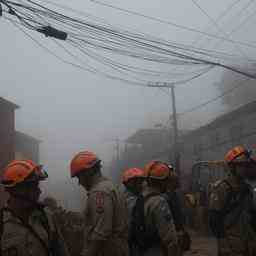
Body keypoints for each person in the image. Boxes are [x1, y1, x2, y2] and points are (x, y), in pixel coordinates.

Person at [0, 159, 70, 256]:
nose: (39, 191)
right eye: (34, 186)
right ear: (19, 189)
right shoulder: (2, 224)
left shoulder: (47, 218)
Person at [70, 150, 129, 256]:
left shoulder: (99, 192)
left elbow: (101, 233)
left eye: (79, 177)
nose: (79, 183)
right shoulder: (110, 186)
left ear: (87, 173)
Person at [209, 146, 256, 256]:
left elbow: (252, 216)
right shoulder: (221, 188)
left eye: (246, 165)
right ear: (232, 167)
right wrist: (223, 243)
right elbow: (214, 220)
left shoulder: (247, 189)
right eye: (241, 165)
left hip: (248, 244)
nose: (245, 168)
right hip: (231, 246)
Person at [130, 160, 179, 256]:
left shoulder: (141, 197)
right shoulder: (159, 202)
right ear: (161, 182)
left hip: (142, 249)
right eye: (167, 180)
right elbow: (170, 239)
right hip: (156, 250)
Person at [163, 166, 191, 253]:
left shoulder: (174, 194)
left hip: (177, 230)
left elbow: (179, 213)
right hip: (172, 232)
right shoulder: (166, 197)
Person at [122, 167, 145, 255]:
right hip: (132, 242)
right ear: (126, 184)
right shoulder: (128, 200)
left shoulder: (141, 197)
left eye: (140, 181)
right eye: (134, 182)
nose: (138, 184)